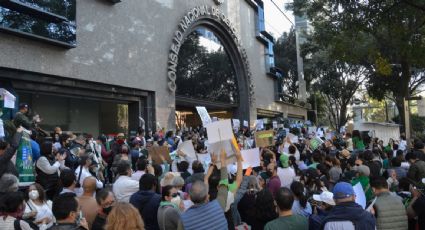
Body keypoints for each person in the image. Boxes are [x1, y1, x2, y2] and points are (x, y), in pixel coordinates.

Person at [177, 149, 229, 230]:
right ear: (207, 196)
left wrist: (213, 163)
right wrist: (223, 161)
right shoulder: (218, 205)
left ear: (190, 197)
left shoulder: (183, 219)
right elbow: (224, 186)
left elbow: (206, 179)